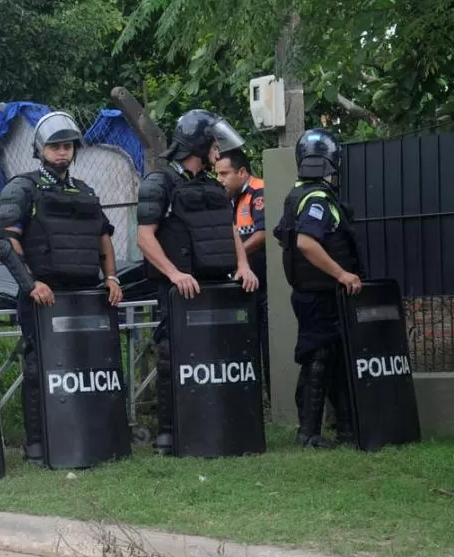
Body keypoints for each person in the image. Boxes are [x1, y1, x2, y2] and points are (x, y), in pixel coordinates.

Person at [0, 111, 123, 466]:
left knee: (87, 367)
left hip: (86, 295)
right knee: (39, 368)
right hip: (42, 296)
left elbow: (104, 238)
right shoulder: (23, 187)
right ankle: (38, 444)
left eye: (67, 146)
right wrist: (31, 283)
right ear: (40, 150)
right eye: (55, 146)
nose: (62, 152)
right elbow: (6, 243)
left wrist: (111, 278)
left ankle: (90, 435)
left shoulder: (86, 191)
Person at [136, 108, 259, 455]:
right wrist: (174, 274)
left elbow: (228, 228)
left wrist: (243, 265)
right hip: (177, 290)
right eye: (214, 143)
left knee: (217, 358)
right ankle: (168, 436)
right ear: (198, 144)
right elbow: (144, 238)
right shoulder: (160, 183)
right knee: (170, 358)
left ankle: (218, 425)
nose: (219, 150)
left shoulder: (212, 186)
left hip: (215, 287)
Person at [273, 128, 363, 448]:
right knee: (320, 358)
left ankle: (347, 430)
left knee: (332, 357)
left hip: (314, 293)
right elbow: (307, 243)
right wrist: (342, 274)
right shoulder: (316, 199)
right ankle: (308, 433)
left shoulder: (297, 195)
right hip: (319, 294)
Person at [214, 146, 270, 402]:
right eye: (217, 174)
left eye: (224, 174)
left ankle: (271, 395)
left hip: (264, 280)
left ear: (242, 172)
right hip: (243, 282)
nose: (220, 180)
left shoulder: (259, 190)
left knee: (267, 341)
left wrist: (237, 256)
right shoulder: (229, 196)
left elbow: (262, 234)